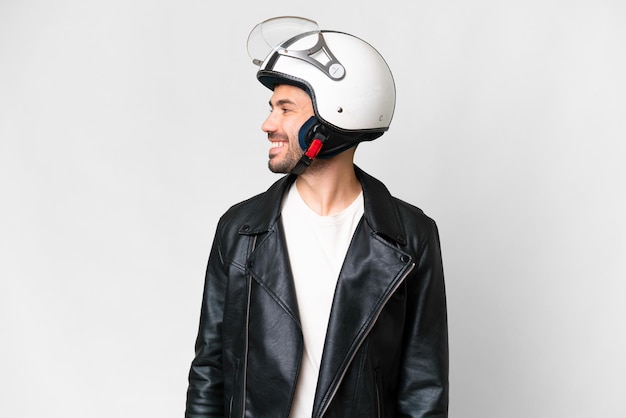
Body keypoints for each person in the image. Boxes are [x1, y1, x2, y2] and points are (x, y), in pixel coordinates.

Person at [185, 16, 448, 418]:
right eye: (272, 108)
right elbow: (209, 371)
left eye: (286, 109)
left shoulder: (411, 238)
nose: (268, 124)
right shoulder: (239, 230)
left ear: (336, 117)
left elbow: (423, 388)